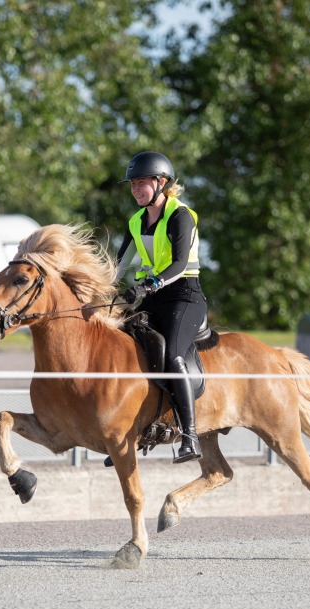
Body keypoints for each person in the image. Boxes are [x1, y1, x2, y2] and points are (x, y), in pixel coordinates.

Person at [116, 151, 206, 463]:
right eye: (133, 184)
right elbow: (118, 265)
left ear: (161, 183)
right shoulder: (135, 221)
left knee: (173, 356)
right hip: (151, 297)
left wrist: (146, 285)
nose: (136, 189)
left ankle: (190, 435)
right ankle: (132, 432)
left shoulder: (181, 216)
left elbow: (180, 264)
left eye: (142, 183)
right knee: (119, 347)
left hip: (184, 296)